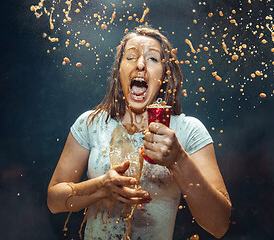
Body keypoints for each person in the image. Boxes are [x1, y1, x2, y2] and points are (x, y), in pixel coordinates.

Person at [47, 26, 231, 239]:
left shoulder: (189, 131)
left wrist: (178, 159)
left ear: (165, 74)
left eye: (153, 59)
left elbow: (219, 225)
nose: (141, 64)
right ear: (119, 70)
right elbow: (54, 201)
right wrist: (102, 187)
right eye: (131, 57)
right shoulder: (91, 123)